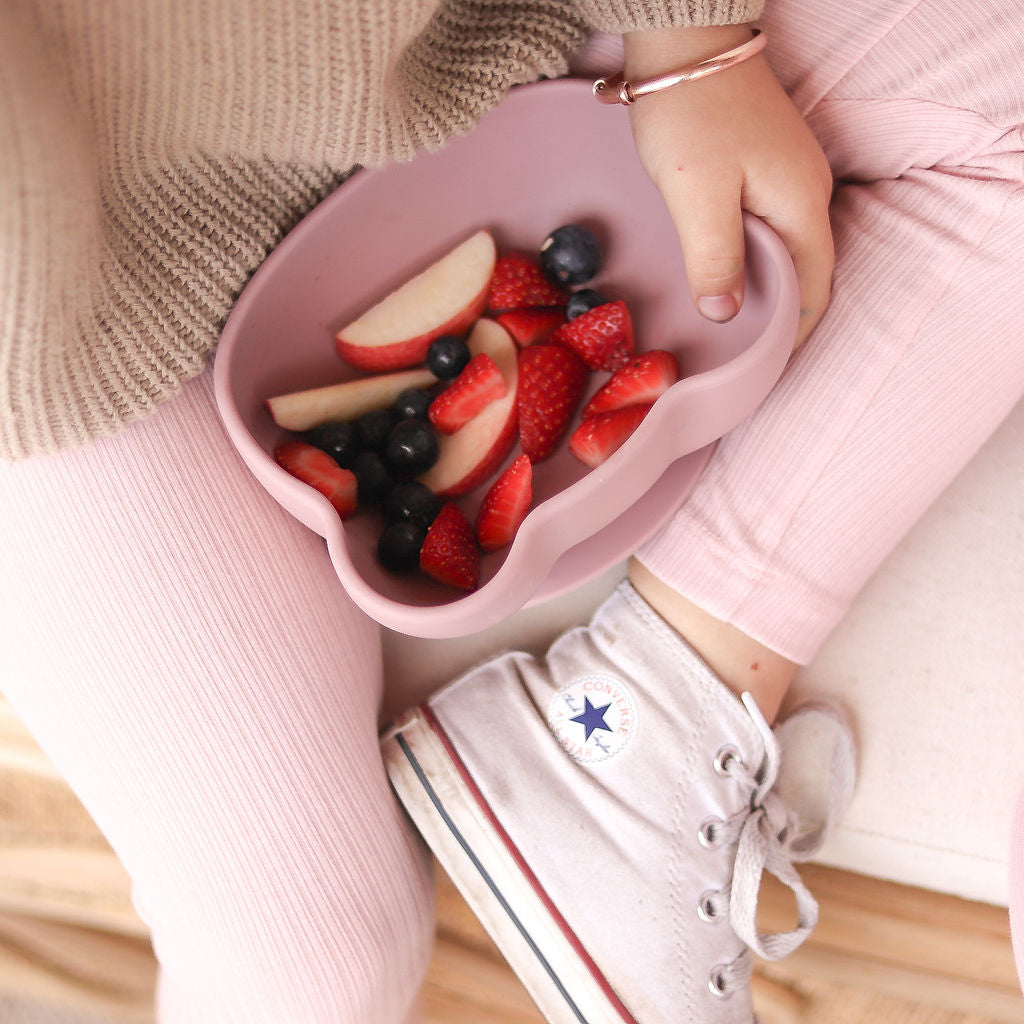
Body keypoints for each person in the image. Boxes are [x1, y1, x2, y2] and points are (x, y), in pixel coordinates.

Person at [1, 1, 1022, 1022]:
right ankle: (640, 728)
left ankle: (647, 723)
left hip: (467, 44)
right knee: (311, 966)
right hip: (53, 306)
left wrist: (686, 38)